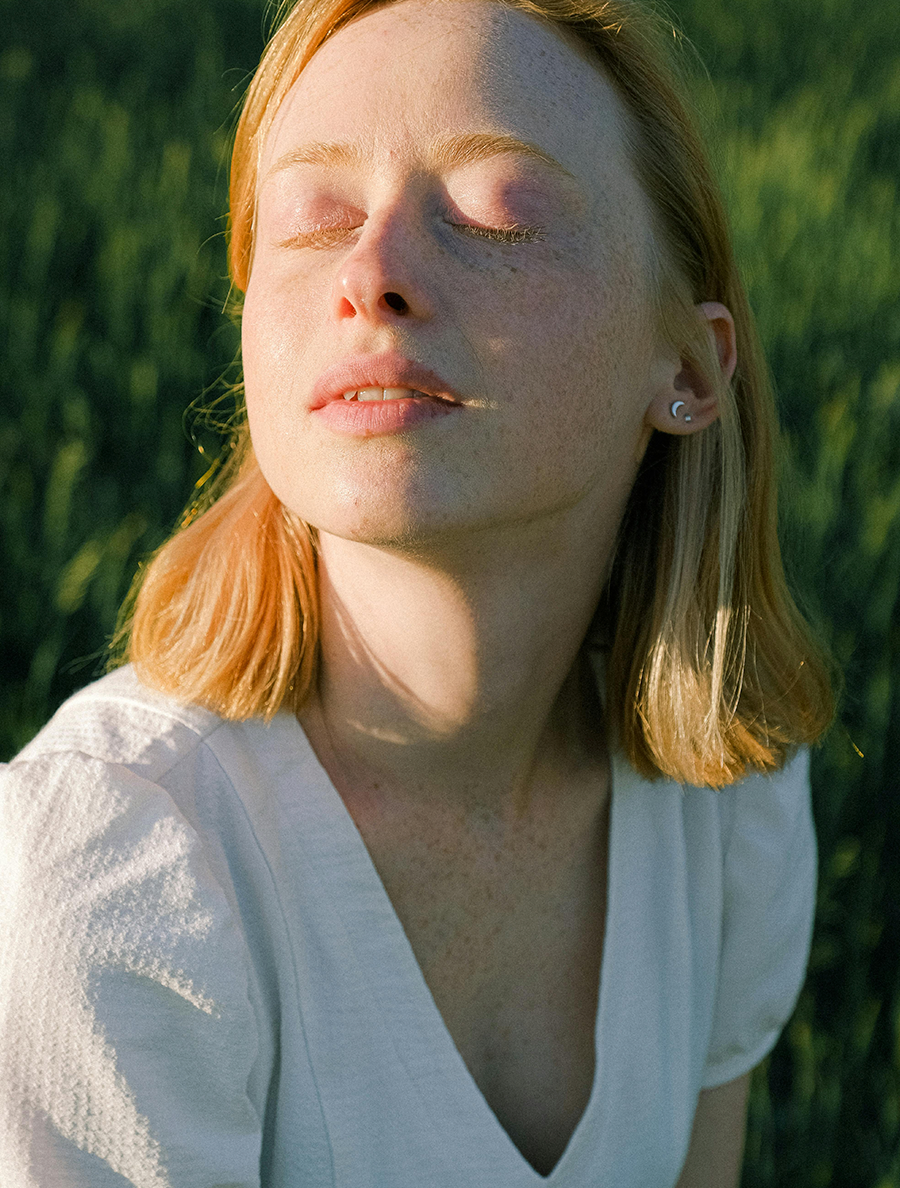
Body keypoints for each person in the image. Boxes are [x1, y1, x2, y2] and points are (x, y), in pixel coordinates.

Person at [0, 0, 834, 1184]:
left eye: (501, 213)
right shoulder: (122, 873)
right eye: (314, 217)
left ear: (688, 368)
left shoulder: (727, 804)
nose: (372, 273)